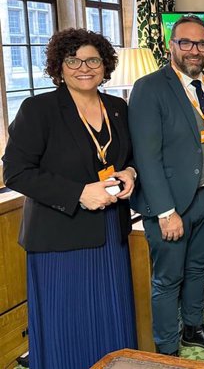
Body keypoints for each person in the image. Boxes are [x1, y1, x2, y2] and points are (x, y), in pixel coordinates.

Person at [2, 28, 137, 369]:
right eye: (73, 60)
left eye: (92, 59)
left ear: (105, 64)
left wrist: (131, 173)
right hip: (60, 238)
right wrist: (78, 193)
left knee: (110, 315)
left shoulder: (117, 106)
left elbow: (129, 157)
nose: (83, 67)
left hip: (110, 232)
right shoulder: (39, 109)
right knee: (68, 326)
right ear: (58, 67)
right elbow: (15, 172)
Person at [128, 15, 204, 356]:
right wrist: (165, 212)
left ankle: (192, 326)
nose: (195, 50)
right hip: (171, 206)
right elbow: (147, 157)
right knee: (167, 279)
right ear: (171, 46)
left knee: (197, 267)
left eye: (201, 44)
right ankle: (166, 348)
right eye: (186, 43)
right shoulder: (150, 87)